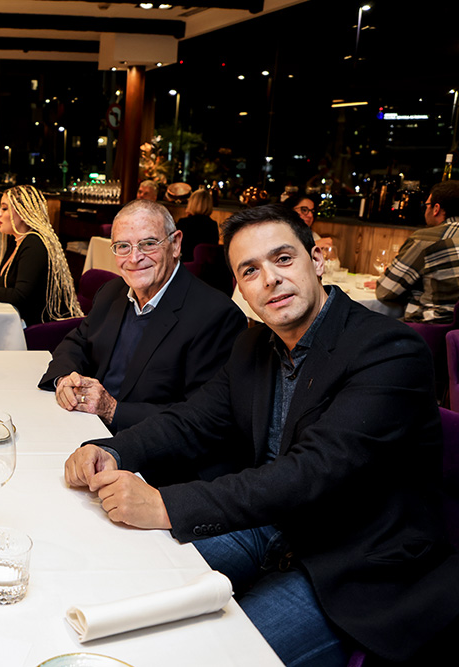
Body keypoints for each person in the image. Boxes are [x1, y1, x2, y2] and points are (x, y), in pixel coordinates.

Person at [64, 203, 459, 666]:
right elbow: (194, 419)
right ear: (241, 287)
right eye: (250, 270)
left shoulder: (389, 349)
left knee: (210, 656)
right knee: (118, 582)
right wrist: (111, 449)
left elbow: (312, 471)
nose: (269, 279)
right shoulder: (256, 344)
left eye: (283, 258)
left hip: (357, 557)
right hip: (271, 524)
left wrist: (165, 504)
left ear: (316, 260)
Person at [39, 200, 245, 442]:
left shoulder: (216, 315)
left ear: (175, 244)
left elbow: (203, 418)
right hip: (84, 426)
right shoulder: (111, 292)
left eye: (148, 244)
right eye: (123, 246)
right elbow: (76, 343)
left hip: (150, 449)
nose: (134, 258)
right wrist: (65, 379)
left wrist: (112, 410)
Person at [0, 185, 82, 326]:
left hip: (40, 328)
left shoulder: (34, 244)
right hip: (20, 319)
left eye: (4, 209)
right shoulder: (16, 240)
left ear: (23, 213)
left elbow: (19, 296)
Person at [376, 180, 459, 322]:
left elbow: (385, 291)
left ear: (436, 209)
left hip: (429, 327)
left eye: (427, 205)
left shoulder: (426, 239)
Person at [175, 187, 219, 261]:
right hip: (206, 266)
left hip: (185, 265)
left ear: (191, 203)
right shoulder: (213, 225)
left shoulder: (183, 223)